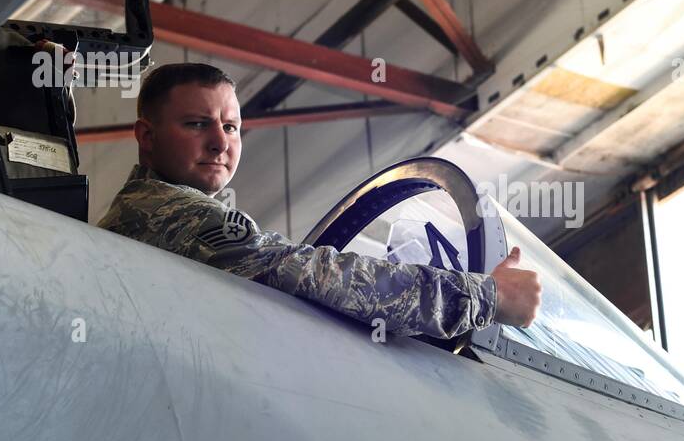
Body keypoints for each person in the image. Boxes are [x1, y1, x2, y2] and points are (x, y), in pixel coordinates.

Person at [97, 62, 541, 338]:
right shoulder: (182, 217)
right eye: (197, 124)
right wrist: (487, 298)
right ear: (147, 137)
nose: (219, 143)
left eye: (230, 127)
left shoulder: (139, 210)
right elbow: (318, 274)